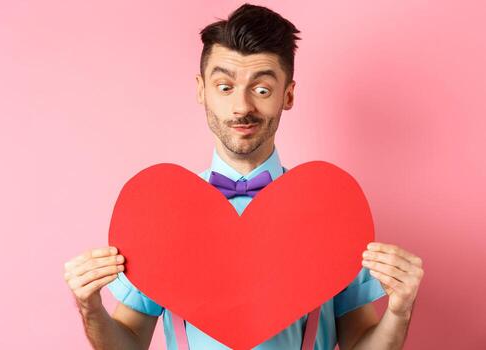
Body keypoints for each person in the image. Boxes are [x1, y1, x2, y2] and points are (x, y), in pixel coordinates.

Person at [63, 3, 424, 349]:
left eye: (262, 88)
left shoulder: (333, 211)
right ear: (202, 91)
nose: (242, 107)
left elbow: (361, 345)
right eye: (225, 87)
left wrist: (399, 312)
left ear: (288, 94)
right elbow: (128, 342)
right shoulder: (162, 213)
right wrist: (90, 308)